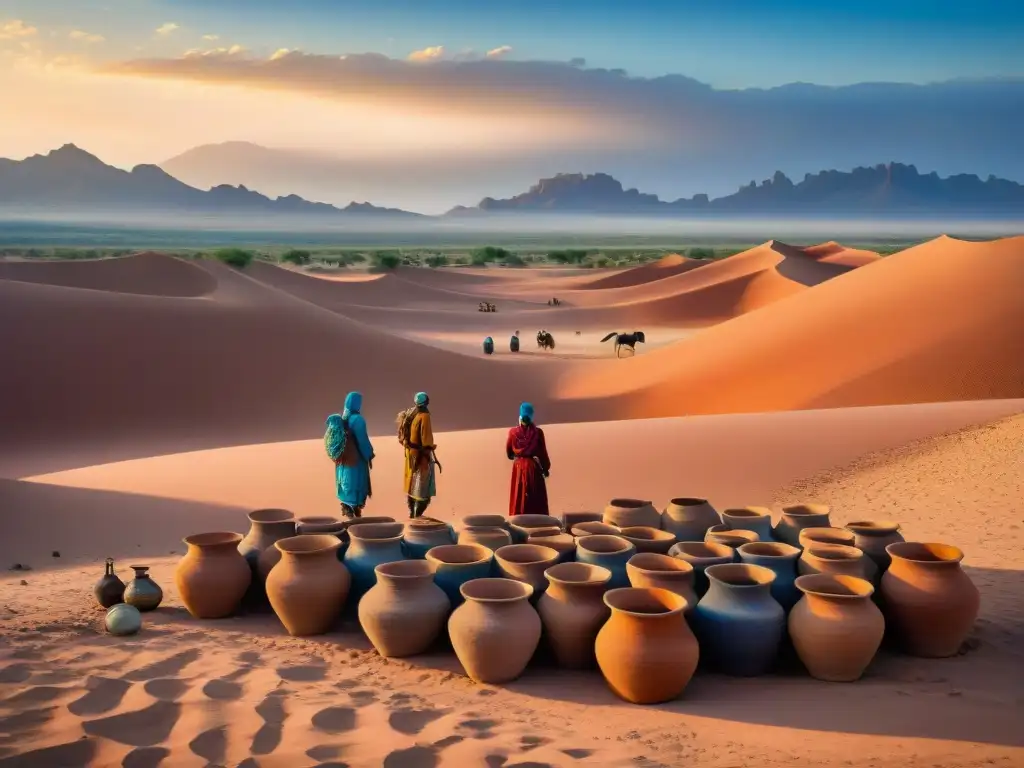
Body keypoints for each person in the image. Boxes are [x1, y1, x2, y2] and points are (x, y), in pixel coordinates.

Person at [325, 392, 375, 519]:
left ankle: (348, 510)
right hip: (355, 461)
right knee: (355, 485)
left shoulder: (344, 417)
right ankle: (354, 519)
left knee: (345, 484)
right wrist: (369, 453)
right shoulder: (358, 420)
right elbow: (362, 441)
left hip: (343, 461)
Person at [506, 402, 551, 517]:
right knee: (535, 497)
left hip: (518, 467)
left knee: (519, 495)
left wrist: (516, 457)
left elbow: (509, 452)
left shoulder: (512, 432)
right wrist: (545, 468)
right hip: (533, 467)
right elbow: (542, 453)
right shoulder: (538, 432)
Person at [404, 391, 441, 518]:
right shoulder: (424, 416)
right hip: (422, 457)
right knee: (423, 490)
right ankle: (416, 516)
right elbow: (427, 440)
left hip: (412, 455)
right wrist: (430, 448)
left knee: (413, 487)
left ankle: (413, 514)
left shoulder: (412, 415)